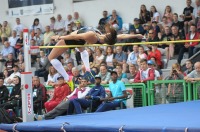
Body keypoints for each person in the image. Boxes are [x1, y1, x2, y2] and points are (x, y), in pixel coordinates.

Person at [49, 24, 143, 81]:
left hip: (71, 40)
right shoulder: (105, 37)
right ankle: (88, 70)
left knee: (51, 58)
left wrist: (59, 37)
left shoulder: (93, 36)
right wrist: (136, 35)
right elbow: (122, 35)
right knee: (82, 49)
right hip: (79, 40)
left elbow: (73, 37)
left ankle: (66, 77)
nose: (108, 32)